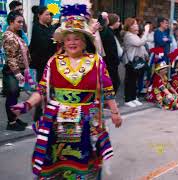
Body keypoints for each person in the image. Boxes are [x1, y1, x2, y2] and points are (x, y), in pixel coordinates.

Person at [10, 4, 122, 179]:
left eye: (77, 38)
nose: (72, 42)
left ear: (85, 41)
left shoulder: (96, 61)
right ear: (63, 41)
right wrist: (27, 104)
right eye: (68, 38)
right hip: (57, 119)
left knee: (87, 161)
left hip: (88, 118)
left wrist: (115, 112)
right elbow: (42, 89)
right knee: (56, 161)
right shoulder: (54, 62)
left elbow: (107, 90)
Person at [2, 11, 29, 131]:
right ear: (11, 22)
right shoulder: (9, 36)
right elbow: (11, 57)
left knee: (15, 95)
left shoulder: (16, 34)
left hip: (17, 70)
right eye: (19, 22)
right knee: (12, 96)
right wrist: (17, 72)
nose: (21, 24)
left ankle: (14, 118)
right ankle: (11, 122)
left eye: (22, 21)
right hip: (11, 71)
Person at [122, 17, 149, 108]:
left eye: (137, 24)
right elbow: (139, 43)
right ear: (129, 26)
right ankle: (128, 99)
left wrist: (145, 54)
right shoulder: (128, 35)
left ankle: (134, 98)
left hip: (137, 61)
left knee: (135, 81)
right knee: (130, 81)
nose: (136, 26)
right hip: (130, 62)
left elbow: (141, 46)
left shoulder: (134, 35)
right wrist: (146, 32)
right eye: (134, 24)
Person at [100, 13, 121, 94]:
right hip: (110, 62)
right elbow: (111, 50)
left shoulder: (111, 32)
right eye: (118, 21)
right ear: (113, 22)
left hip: (111, 62)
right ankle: (109, 101)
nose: (119, 23)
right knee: (113, 82)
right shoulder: (108, 32)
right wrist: (116, 61)